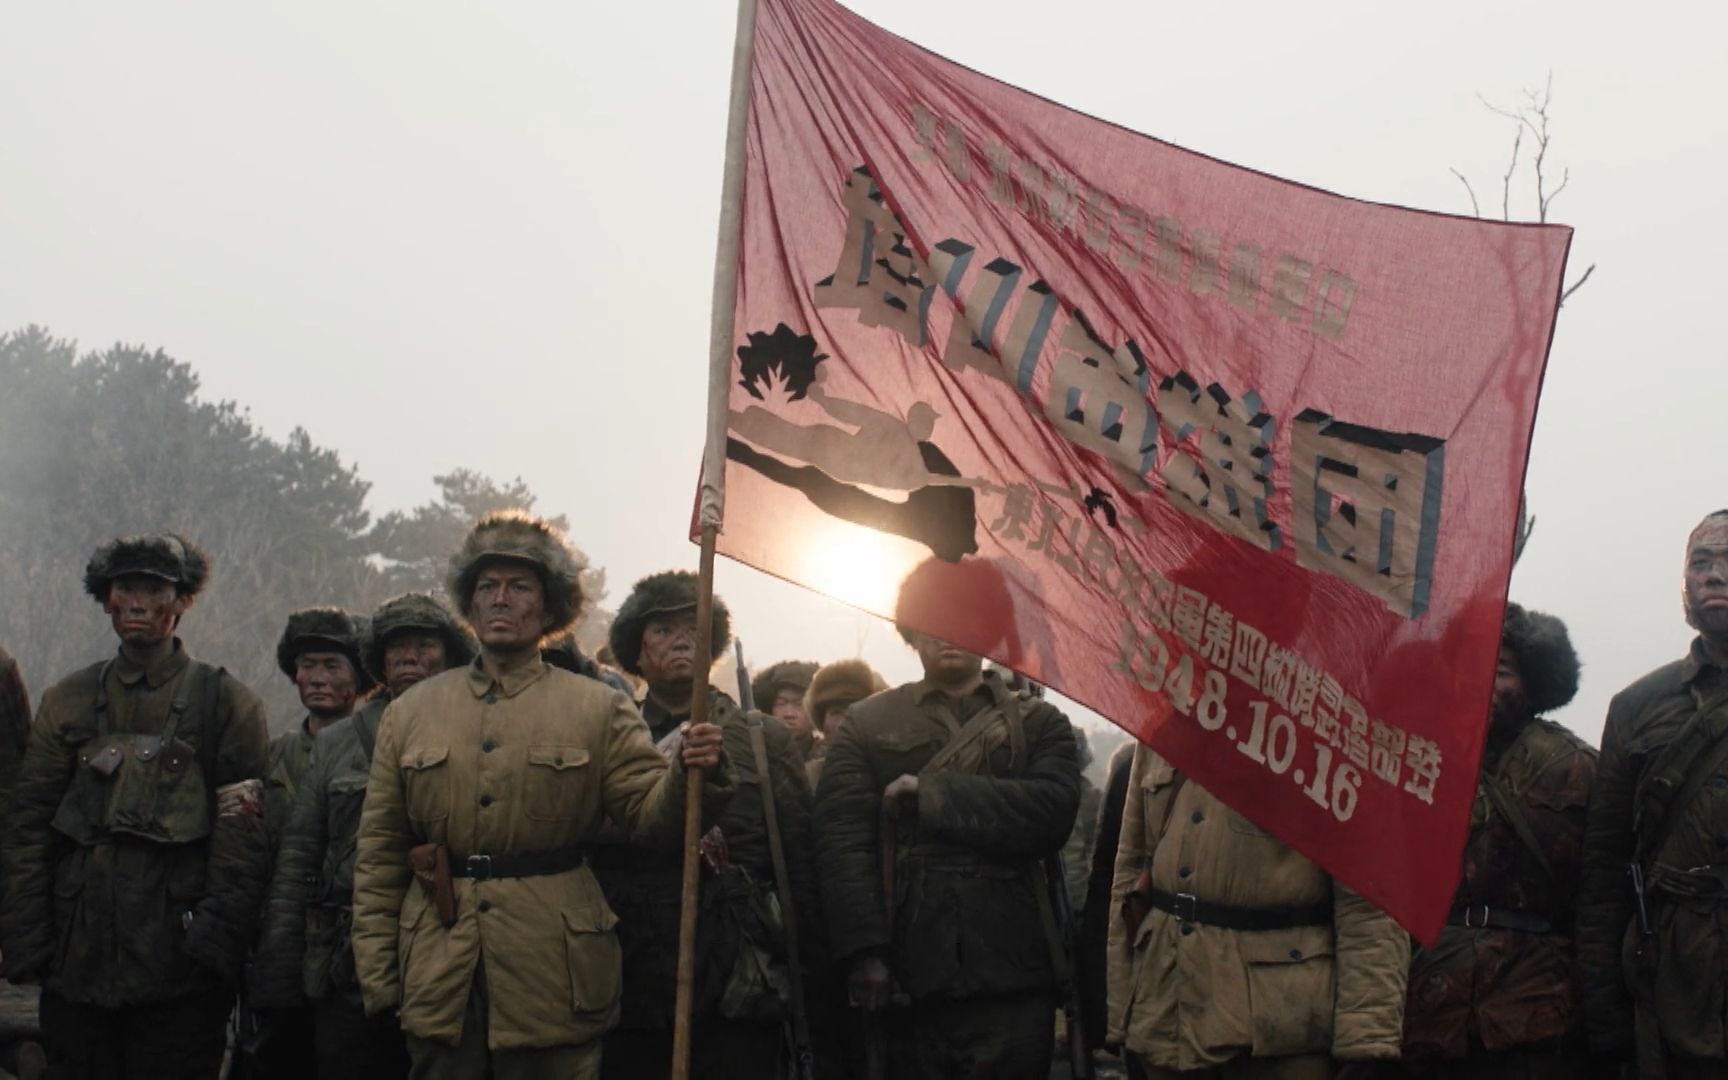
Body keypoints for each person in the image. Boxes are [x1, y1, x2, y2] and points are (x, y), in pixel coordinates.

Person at [351, 512, 731, 1078]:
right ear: (470, 605)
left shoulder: (599, 706)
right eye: (487, 587)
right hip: (438, 970)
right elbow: (379, 855)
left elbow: (649, 818)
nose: (501, 599)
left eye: (519, 587)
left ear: (549, 609)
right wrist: (380, 976)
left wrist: (690, 776)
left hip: (556, 974)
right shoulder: (409, 713)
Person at [0, 534, 270, 1078]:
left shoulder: (225, 702)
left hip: (179, 975)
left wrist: (212, 946)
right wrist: (31, 944)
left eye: (155, 588)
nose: (139, 603)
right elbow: (29, 827)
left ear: (182, 601)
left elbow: (243, 837)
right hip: (77, 968)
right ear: (106, 599)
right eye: (126, 588)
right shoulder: (68, 700)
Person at [816, 601, 1081, 1078]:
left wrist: (932, 796)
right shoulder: (867, 722)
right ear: (912, 636)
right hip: (907, 968)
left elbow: (1051, 811)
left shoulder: (1040, 723)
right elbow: (843, 845)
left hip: (1013, 965)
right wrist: (865, 953)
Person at [595, 571, 822, 1080]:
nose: (681, 640)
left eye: (694, 629)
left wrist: (805, 961)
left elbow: (798, 856)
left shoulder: (758, 737)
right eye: (662, 629)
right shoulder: (607, 730)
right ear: (636, 650)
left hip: (737, 964)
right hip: (633, 961)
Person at [252, 592, 475, 1079]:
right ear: (378, 661)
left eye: (424, 645)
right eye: (396, 648)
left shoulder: (479, 732)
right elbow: (298, 861)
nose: (410, 657)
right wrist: (280, 974)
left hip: (448, 950)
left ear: (452, 656)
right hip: (344, 959)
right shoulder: (337, 743)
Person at [1107, 744, 1409, 1077]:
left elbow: (1369, 905)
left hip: (1281, 1029)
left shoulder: (1328, 730)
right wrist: (1120, 1014)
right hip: (1166, 1010)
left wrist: (1366, 1041)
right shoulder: (1163, 724)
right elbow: (1129, 874)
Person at [1399, 603, 1595, 1077]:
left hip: (1535, 1007)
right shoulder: (1410, 754)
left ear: (1533, 683)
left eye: (1501, 668)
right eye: (1470, 661)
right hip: (1426, 1004)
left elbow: (1597, 896)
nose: (1483, 678)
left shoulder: (1579, 766)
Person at [1579, 509, 1728, 1077]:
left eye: (1727, 561)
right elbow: (1602, 875)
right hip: (1668, 986)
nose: (1713, 575)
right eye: (1700, 562)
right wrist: (1605, 1024)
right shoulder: (1637, 706)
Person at [264, 607, 370, 853]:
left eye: (332, 666)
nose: (317, 678)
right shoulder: (274, 754)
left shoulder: (375, 750)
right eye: (308, 665)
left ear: (358, 677)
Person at [802, 657, 883, 788]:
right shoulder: (808, 778)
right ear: (822, 722)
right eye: (836, 712)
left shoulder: (890, 770)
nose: (842, 723)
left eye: (853, 711)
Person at [753, 659, 820, 763]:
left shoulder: (831, 758)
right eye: (781, 703)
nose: (789, 714)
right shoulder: (756, 757)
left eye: (799, 704)